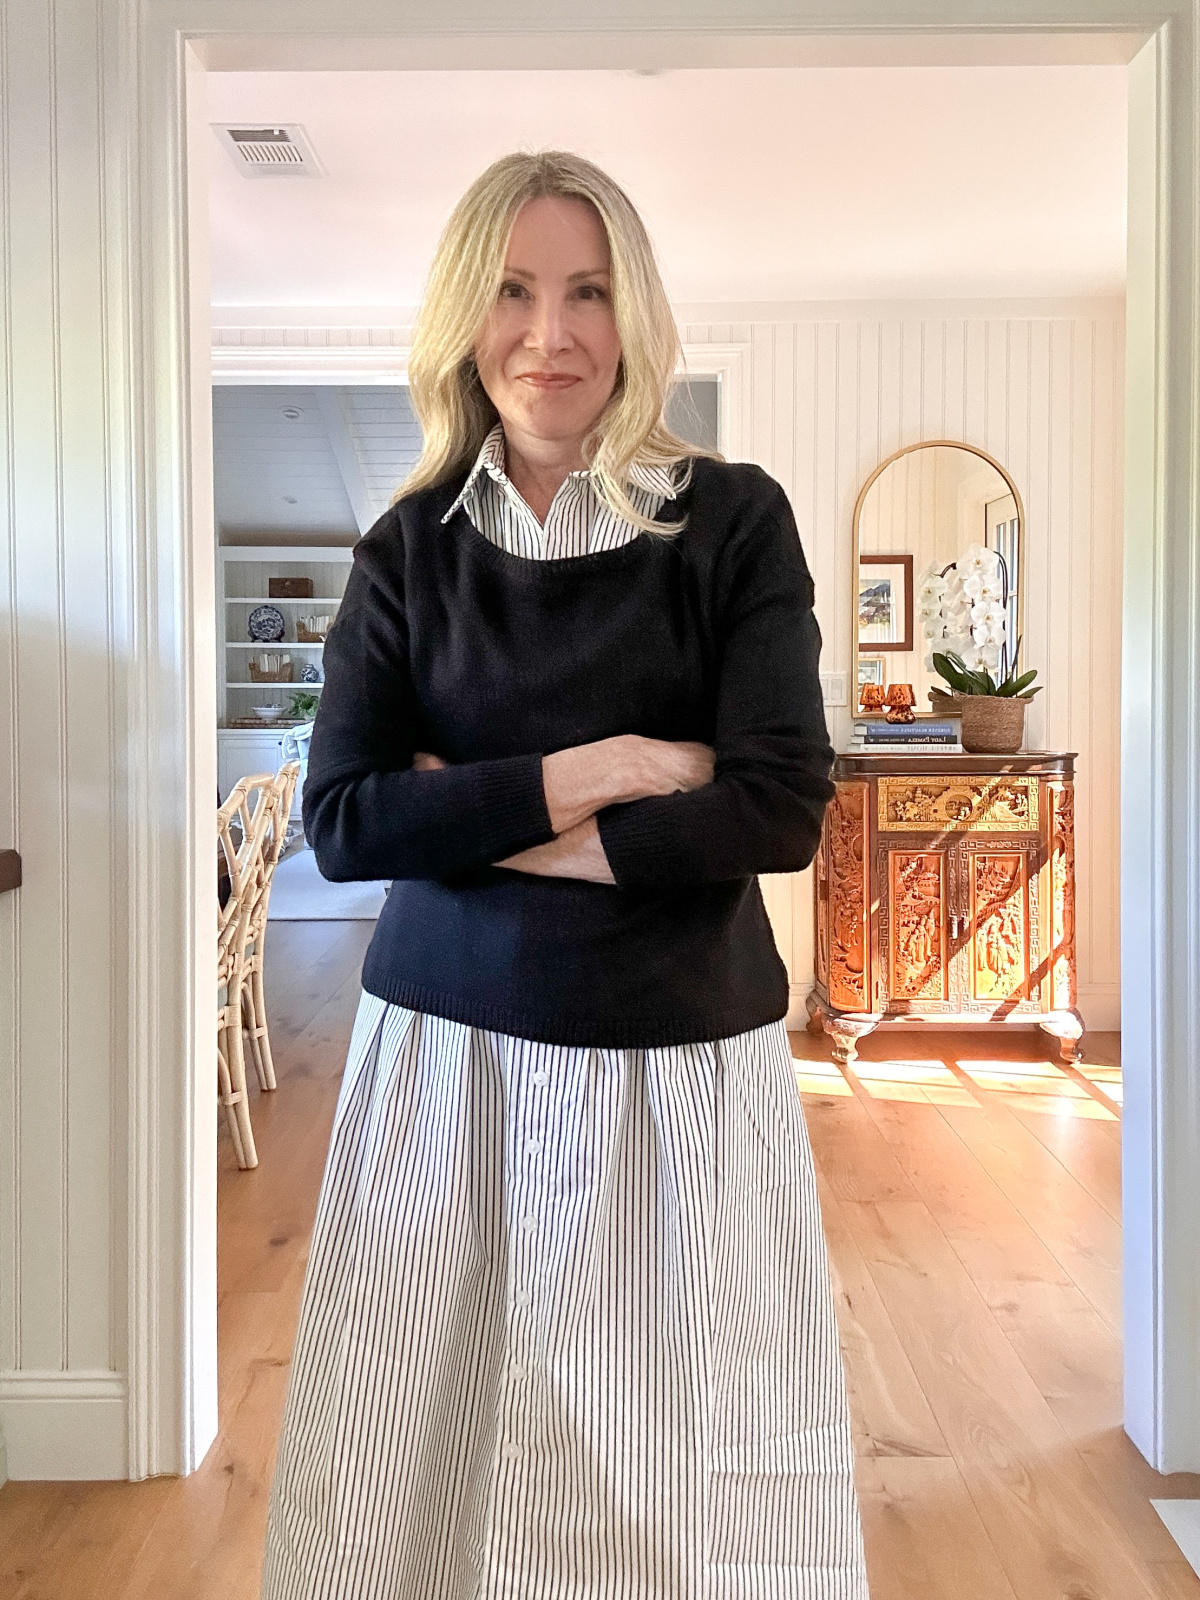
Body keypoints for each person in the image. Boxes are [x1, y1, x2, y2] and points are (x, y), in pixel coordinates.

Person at [261, 149, 868, 1600]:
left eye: (588, 291)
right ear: (468, 319)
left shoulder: (732, 522)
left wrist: (462, 816)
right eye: (517, 291)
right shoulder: (407, 553)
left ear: (634, 313)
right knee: (419, 1464)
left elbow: (780, 807)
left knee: (697, 1488)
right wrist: (602, 770)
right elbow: (345, 823)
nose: (552, 333)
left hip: (681, 1078)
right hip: (443, 1072)